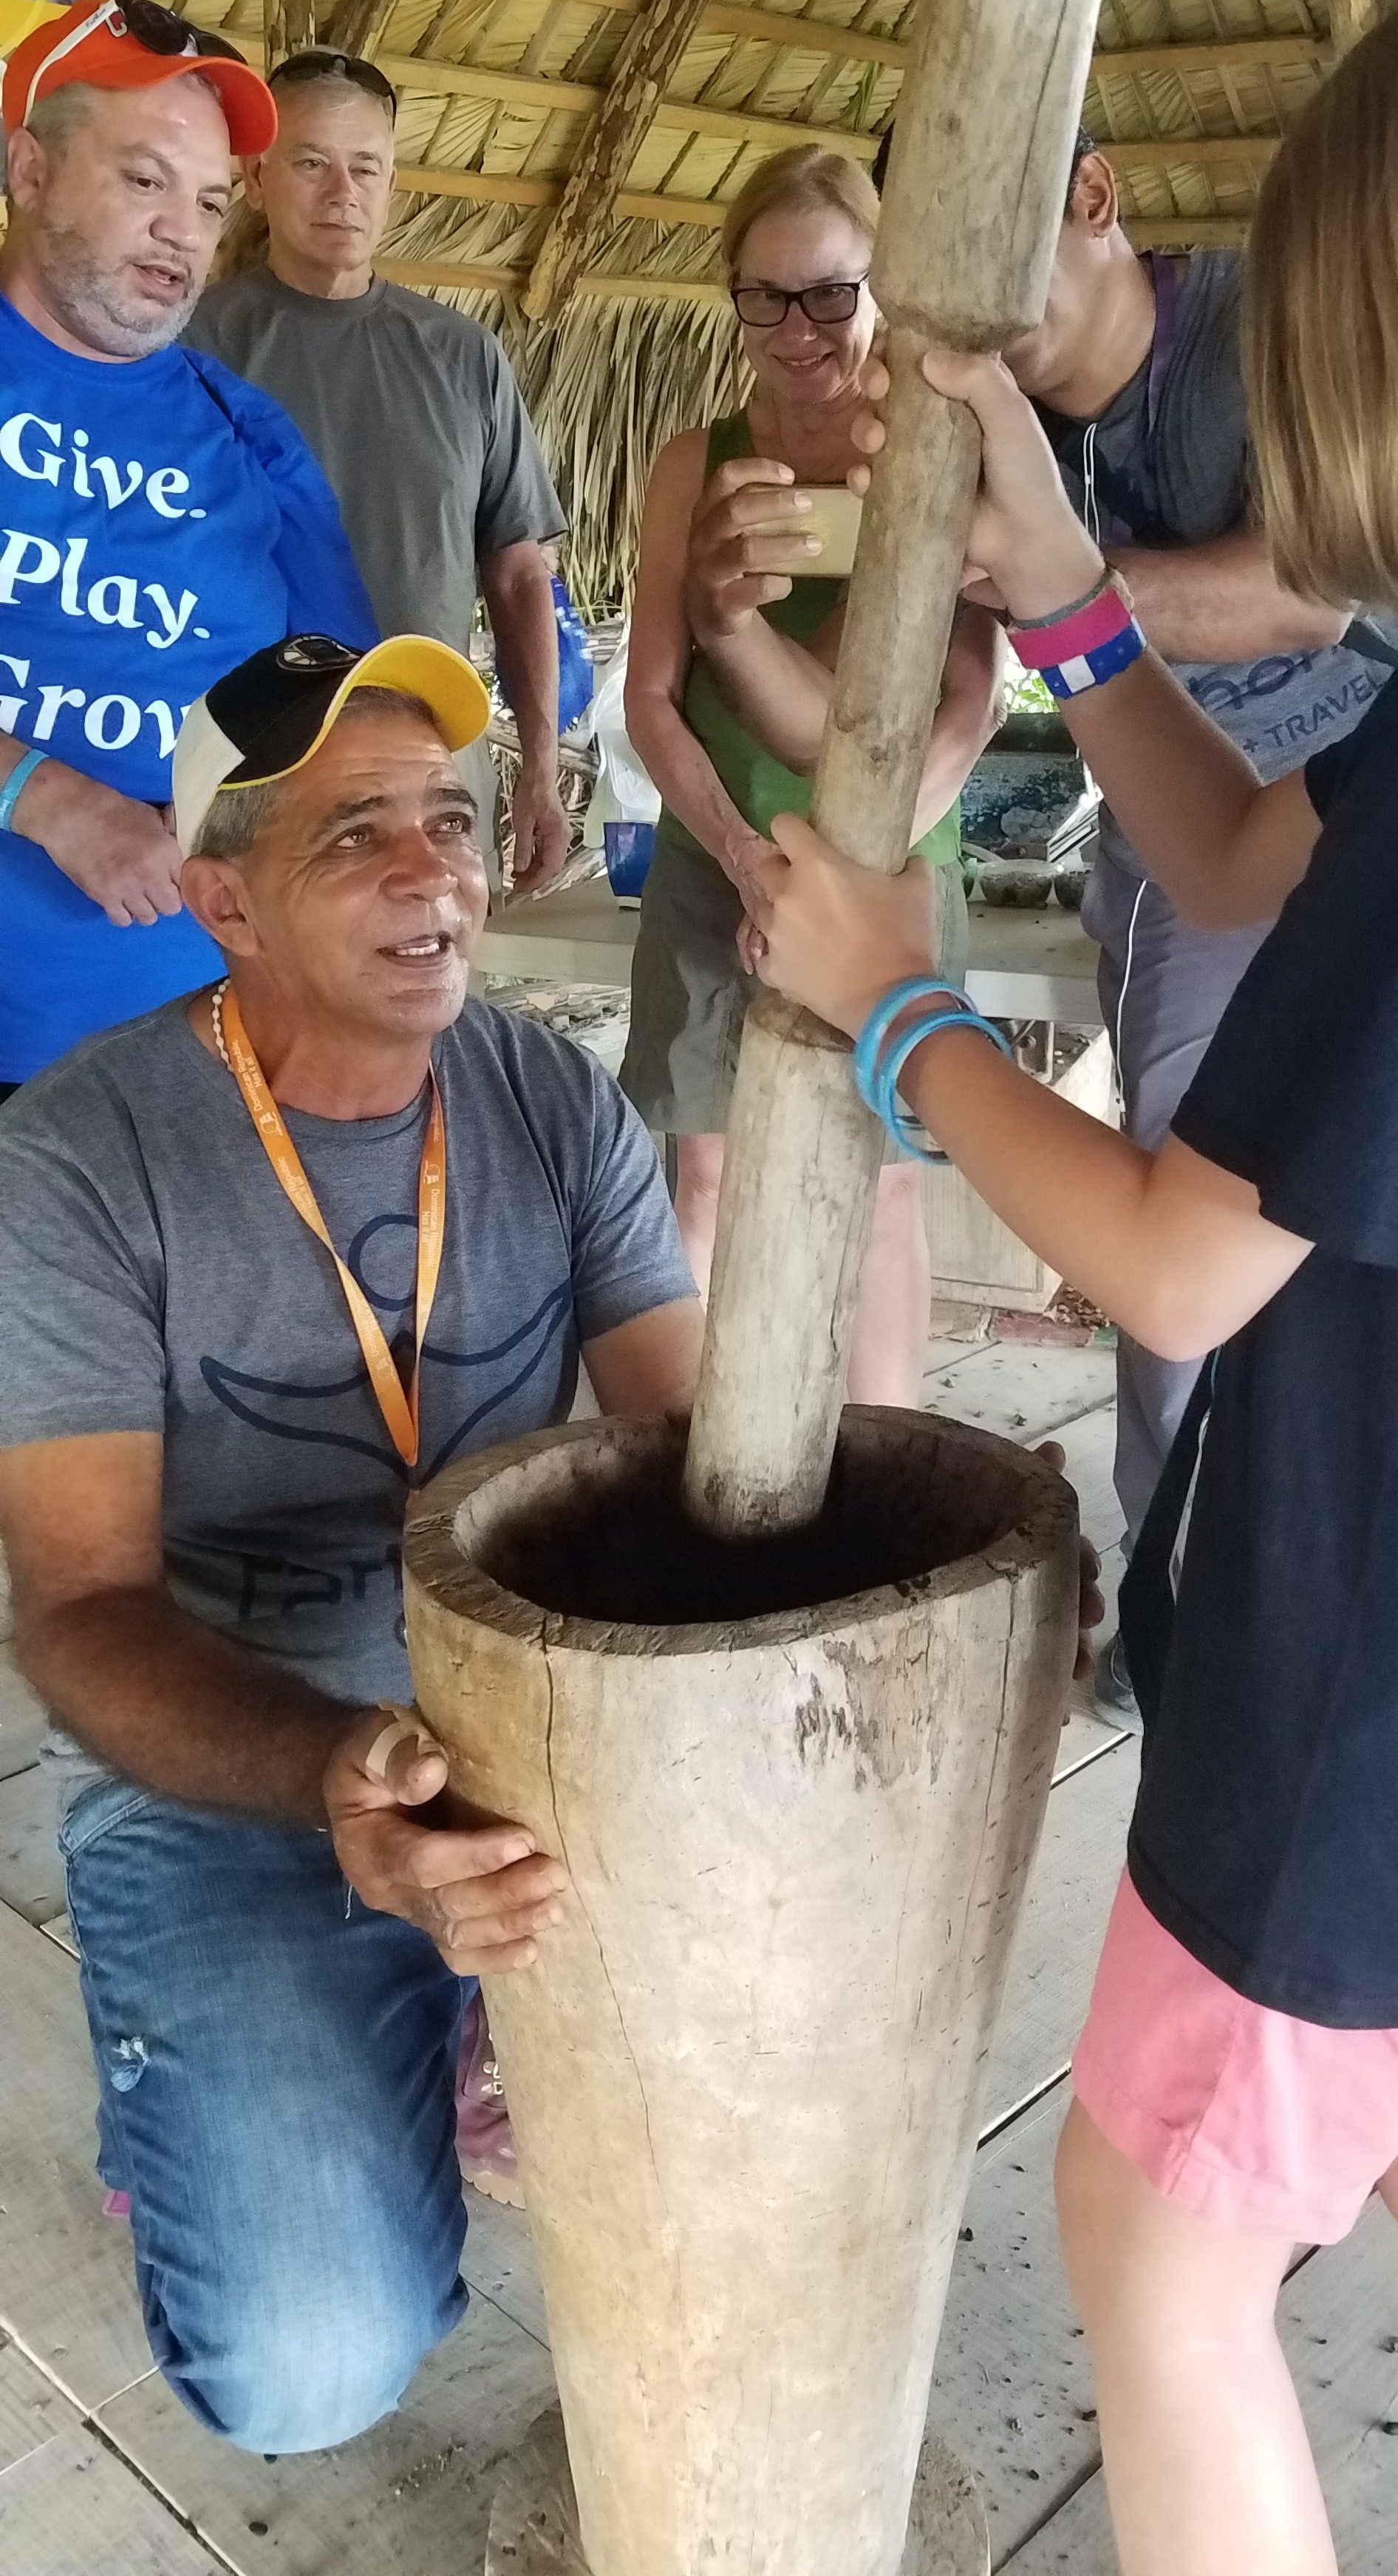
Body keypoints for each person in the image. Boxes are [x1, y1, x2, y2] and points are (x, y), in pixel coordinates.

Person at [758, 0, 1398, 2576]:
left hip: (1380, 1667)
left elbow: (1174, 1269)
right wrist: (1065, 596)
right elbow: (1260, 851)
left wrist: (902, 1018)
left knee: (1157, 2244)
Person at [0, 634, 701, 2454]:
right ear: (221, 898)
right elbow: (76, 1612)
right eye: (354, 835)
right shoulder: (83, 1159)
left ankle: (426, 2019)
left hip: (549, 1736)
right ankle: (249, 2070)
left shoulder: (550, 1099)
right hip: (243, 1759)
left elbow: (691, 1450)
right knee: (303, 2378)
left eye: (451, 822)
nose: (434, 874)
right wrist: (335, 1781)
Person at [884, 125, 1398, 1714]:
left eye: (998, 247)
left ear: (1098, 199)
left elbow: (1317, 589)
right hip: (1159, 797)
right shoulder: (1010, 411)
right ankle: (1213, 1587)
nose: (974, 308)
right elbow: (985, 652)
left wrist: (1058, 580)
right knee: (1212, 1204)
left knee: (1181, 1216)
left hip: (1317, 767)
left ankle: (1192, 1616)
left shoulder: (1256, 330)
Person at [621, 144, 1002, 1403]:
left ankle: (884, 1460)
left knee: (880, 1173)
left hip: (886, 867)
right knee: (708, 1170)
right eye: (767, 296)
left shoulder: (930, 450)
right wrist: (738, 854)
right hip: (713, 861)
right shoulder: (697, 459)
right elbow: (650, 699)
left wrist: (869, 863)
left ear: (880, 291)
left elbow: (970, 693)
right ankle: (690, 1459)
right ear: (731, 298)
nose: (799, 329)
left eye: (831, 294)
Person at [0, 0, 377, 1093]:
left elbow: (336, 687)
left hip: (204, 1064)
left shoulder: (248, 433)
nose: (185, 232)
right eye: (144, 180)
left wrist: (254, 792)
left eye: (211, 202)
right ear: (27, 171)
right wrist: (47, 798)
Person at [190, 47, 570, 893]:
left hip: (428, 761)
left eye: (366, 166)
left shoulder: (462, 357)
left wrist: (539, 767)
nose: (343, 192)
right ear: (258, 177)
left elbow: (516, 577)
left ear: (392, 181)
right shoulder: (194, 348)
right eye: (312, 163)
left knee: (423, 999)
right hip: (252, 762)